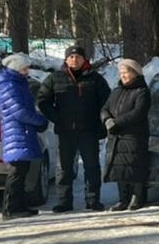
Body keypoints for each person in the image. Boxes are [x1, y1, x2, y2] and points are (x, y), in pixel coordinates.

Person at [38, 44, 111, 212]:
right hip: (65, 131)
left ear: (84, 59)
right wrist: (57, 119)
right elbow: (43, 101)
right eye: (71, 57)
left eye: (78, 56)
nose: (74, 59)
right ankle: (64, 201)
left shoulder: (95, 79)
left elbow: (107, 103)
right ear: (66, 59)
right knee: (63, 168)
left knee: (92, 166)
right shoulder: (55, 78)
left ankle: (93, 199)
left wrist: (101, 124)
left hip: (89, 130)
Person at [0, 53, 47, 220]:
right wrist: (38, 120)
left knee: (22, 170)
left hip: (21, 131)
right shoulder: (9, 84)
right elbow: (18, 110)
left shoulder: (17, 82)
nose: (27, 71)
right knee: (16, 171)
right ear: (16, 68)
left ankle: (20, 205)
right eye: (24, 68)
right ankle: (10, 209)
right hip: (16, 131)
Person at [102, 58, 152, 211]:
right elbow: (105, 107)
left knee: (135, 166)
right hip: (116, 135)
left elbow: (138, 113)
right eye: (121, 72)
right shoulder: (116, 91)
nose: (123, 75)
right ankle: (123, 199)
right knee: (119, 168)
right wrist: (107, 119)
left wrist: (117, 122)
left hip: (134, 135)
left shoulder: (142, 91)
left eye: (126, 72)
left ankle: (137, 197)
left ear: (135, 74)